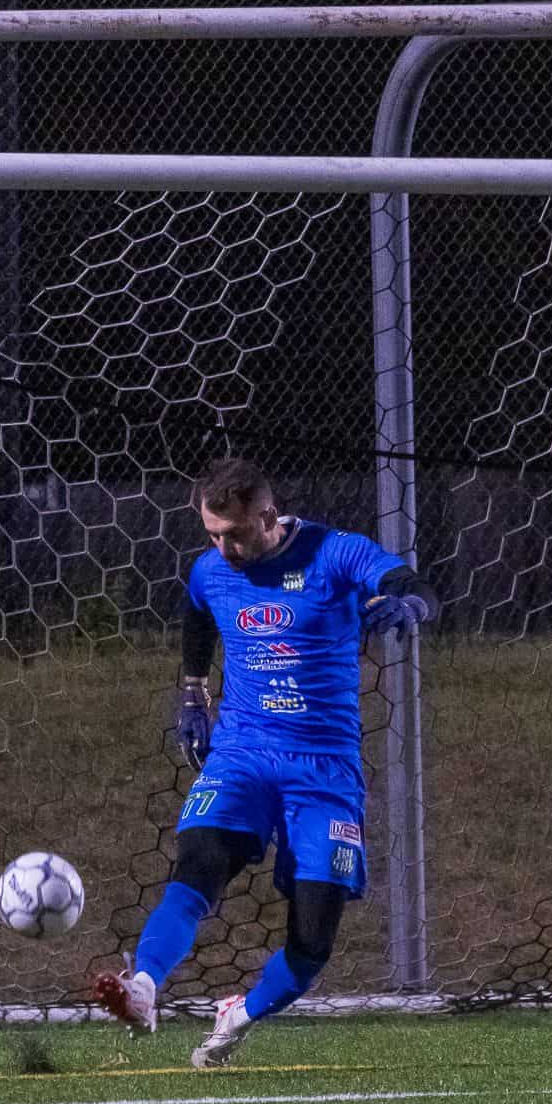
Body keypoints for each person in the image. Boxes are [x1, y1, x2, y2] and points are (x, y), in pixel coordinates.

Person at [94, 454, 439, 1068]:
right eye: (213, 535)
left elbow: (409, 582)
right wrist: (193, 692)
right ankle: (142, 988)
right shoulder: (210, 570)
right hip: (242, 754)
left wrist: (410, 605)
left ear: (269, 515)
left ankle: (241, 1013)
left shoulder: (334, 553)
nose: (223, 549)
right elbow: (197, 612)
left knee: (312, 940)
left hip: (324, 768)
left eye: (234, 533)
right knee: (198, 865)